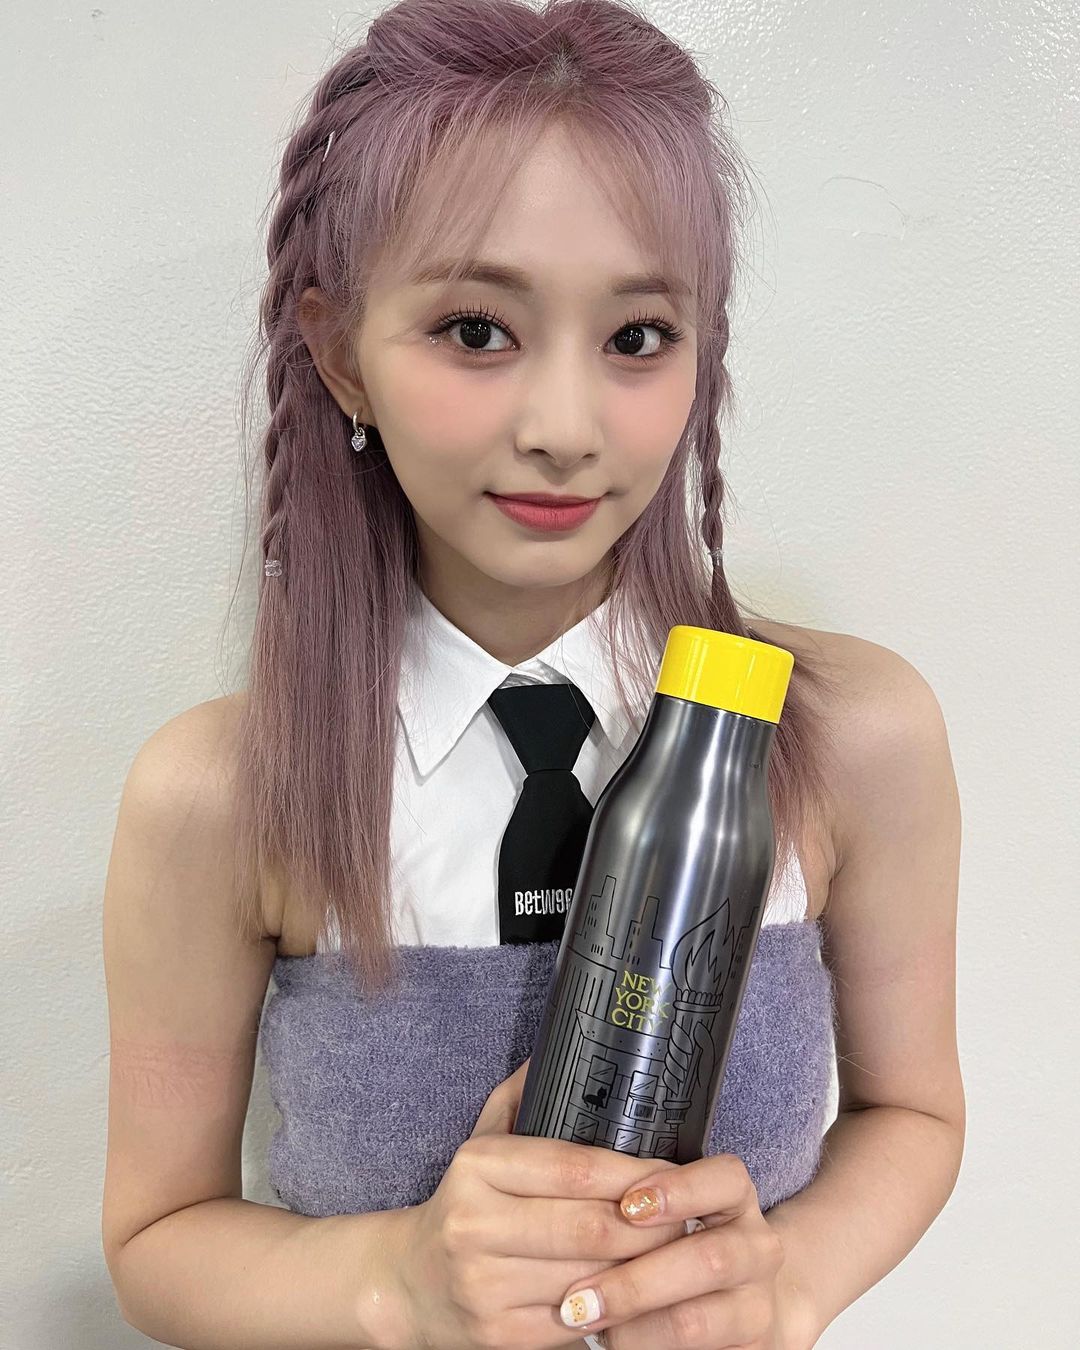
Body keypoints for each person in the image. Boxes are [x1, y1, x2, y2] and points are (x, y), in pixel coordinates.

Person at [100, 1, 965, 1347]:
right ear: (340, 354)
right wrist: (397, 1278)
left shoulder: (854, 738)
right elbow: (156, 1236)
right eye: (476, 330)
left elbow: (914, 1112)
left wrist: (788, 1280)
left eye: (637, 338)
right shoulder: (221, 793)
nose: (565, 428)